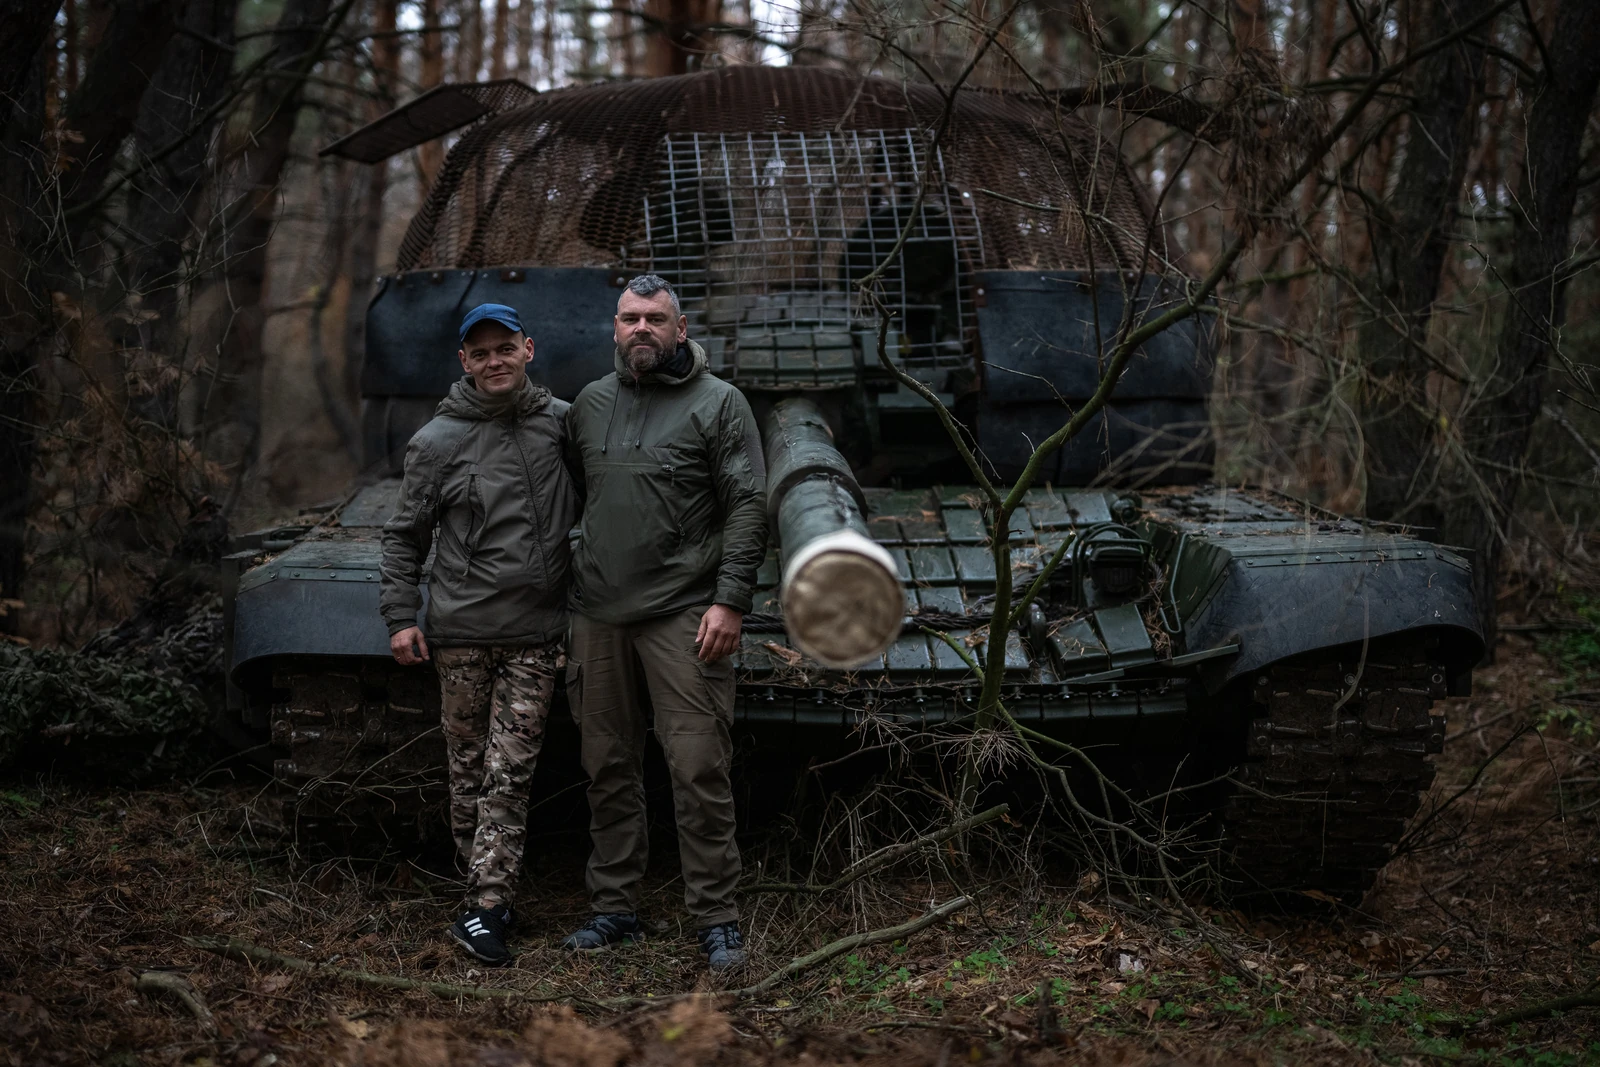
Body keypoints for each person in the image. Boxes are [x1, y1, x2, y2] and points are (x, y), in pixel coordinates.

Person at [560, 274, 767, 971]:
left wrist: (731, 599)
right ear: (613, 328)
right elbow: (577, 498)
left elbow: (746, 505)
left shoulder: (721, 404)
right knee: (606, 765)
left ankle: (716, 916)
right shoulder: (589, 405)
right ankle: (614, 907)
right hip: (596, 613)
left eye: (655, 318)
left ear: (681, 329)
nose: (641, 329)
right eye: (628, 318)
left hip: (685, 610)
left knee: (699, 764)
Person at [379, 302, 578, 967]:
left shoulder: (562, 424)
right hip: (461, 632)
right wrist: (400, 616)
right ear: (464, 361)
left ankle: (487, 906)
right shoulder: (436, 440)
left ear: (529, 348)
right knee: (467, 772)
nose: (495, 360)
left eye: (505, 348)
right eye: (481, 352)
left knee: (508, 771)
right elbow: (404, 537)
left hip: (535, 632)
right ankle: (480, 895)